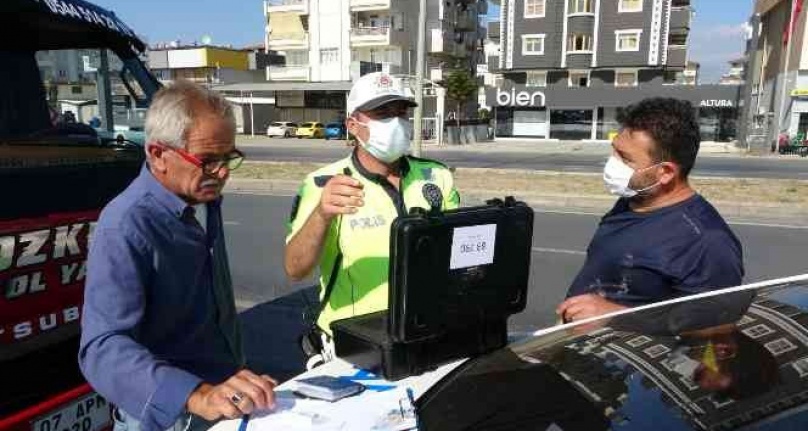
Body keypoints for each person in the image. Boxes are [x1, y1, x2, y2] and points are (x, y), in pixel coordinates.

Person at [79, 81, 276, 431]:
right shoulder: (126, 225)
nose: (223, 172)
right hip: (173, 417)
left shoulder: (203, 196)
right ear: (158, 154)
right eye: (208, 161)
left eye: (228, 157)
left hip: (226, 395)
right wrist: (198, 395)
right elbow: (101, 348)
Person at [284, 72, 460, 363]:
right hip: (357, 346)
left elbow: (457, 252)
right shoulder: (323, 183)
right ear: (353, 125)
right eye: (382, 113)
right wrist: (321, 214)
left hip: (428, 334)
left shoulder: (436, 176)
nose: (396, 122)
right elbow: (294, 269)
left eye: (401, 112)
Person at [557, 97, 744, 324]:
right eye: (614, 151)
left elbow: (713, 329)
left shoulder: (707, 242)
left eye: (625, 159)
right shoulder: (633, 200)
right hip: (578, 347)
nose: (611, 163)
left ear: (665, 172)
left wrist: (614, 317)